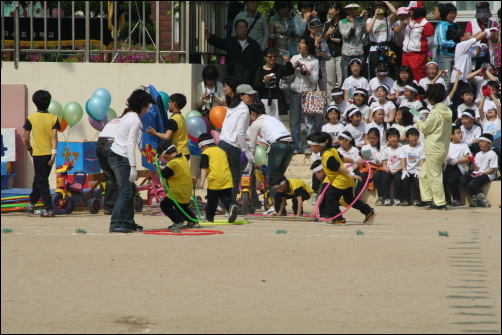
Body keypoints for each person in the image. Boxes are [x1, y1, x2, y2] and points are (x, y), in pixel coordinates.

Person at [108, 88, 156, 233]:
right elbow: (130, 143)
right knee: (125, 192)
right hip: (121, 158)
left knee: (130, 190)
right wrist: (133, 167)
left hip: (115, 155)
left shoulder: (129, 115)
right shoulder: (135, 119)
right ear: (141, 105)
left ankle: (128, 222)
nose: (148, 108)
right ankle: (115, 223)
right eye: (147, 105)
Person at [307, 132, 377, 225]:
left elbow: (339, 167)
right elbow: (343, 159)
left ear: (318, 145)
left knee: (330, 199)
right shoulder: (332, 150)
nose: (310, 148)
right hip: (346, 179)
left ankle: (338, 219)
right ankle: (368, 211)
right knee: (349, 199)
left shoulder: (327, 155)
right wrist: (355, 160)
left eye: (311, 146)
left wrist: (353, 174)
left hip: (341, 180)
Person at [248, 101, 294, 213]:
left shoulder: (256, 122)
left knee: (272, 178)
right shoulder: (271, 118)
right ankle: (281, 208)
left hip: (278, 145)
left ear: (253, 113)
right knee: (280, 178)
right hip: (291, 145)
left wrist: (249, 164)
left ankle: (274, 207)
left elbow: (252, 146)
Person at [23, 89, 61, 218]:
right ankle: (32, 203)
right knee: (39, 179)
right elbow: (54, 137)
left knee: (42, 181)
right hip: (49, 154)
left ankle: (49, 208)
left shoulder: (31, 118)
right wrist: (54, 154)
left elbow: (26, 138)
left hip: (38, 154)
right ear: (49, 103)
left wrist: (29, 149)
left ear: (35, 103)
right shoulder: (53, 118)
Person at [415, 83, 452, 210]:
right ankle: (427, 198)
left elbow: (425, 128)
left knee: (434, 175)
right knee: (424, 174)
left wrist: (419, 122)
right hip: (442, 147)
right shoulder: (447, 110)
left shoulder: (435, 112)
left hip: (433, 148)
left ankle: (440, 202)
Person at [219, 84, 256, 202]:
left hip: (222, 143)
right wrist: (247, 151)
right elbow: (240, 133)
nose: (251, 97)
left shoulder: (232, 107)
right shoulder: (244, 110)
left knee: (223, 176)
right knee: (234, 178)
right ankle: (229, 205)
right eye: (248, 95)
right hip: (232, 146)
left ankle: (221, 203)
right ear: (241, 96)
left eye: (252, 95)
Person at [205, 20, 263, 86]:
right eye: (240, 27)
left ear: (247, 29)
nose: (242, 30)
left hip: (249, 81)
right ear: (235, 30)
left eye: (244, 27)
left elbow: (259, 61)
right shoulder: (231, 42)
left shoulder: (253, 44)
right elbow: (218, 42)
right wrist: (208, 34)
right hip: (233, 80)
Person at [197, 133, 239, 224]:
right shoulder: (222, 151)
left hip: (215, 178)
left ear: (204, 145)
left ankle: (209, 217)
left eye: (201, 148)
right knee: (225, 197)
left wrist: (202, 180)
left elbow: (204, 167)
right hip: (227, 177)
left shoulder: (205, 153)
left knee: (212, 199)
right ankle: (231, 206)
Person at [157, 141, 199, 230]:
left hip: (177, 189)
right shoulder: (183, 157)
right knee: (181, 207)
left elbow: (164, 175)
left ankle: (178, 221)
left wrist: (157, 167)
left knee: (164, 205)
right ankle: (193, 221)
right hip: (186, 188)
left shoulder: (173, 163)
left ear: (166, 156)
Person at [288, 36, 319, 154]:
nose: (300, 45)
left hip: (309, 93)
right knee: (294, 120)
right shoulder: (295, 58)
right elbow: (289, 78)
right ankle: (297, 146)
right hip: (295, 91)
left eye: (303, 43)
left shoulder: (314, 61)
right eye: (300, 43)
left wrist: (308, 72)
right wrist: (293, 68)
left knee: (309, 122)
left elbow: (314, 81)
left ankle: (309, 147)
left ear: (308, 46)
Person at [146, 93, 190, 161]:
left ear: (174, 104)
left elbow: (167, 136)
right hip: (185, 152)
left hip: (178, 153)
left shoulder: (173, 120)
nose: (168, 104)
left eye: (169, 102)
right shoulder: (181, 117)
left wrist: (155, 133)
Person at [254, 47, 294, 120]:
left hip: (277, 98)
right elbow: (256, 86)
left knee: (277, 122)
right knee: (265, 121)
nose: (272, 58)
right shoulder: (260, 70)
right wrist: (264, 81)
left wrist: (288, 62)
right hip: (264, 98)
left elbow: (290, 71)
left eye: (274, 56)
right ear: (265, 58)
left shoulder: (279, 68)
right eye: (270, 56)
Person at [460, 133, 498, 208]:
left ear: (489, 144)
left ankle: (483, 199)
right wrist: (472, 161)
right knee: (463, 178)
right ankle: (474, 197)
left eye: (483, 142)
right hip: (478, 173)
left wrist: (481, 173)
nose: (480, 144)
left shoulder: (492, 154)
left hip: (488, 174)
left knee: (472, 183)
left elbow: (492, 170)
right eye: (479, 142)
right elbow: (476, 169)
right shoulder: (478, 154)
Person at [401, 1, 434, 82]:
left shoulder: (426, 24)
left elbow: (430, 42)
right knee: (405, 77)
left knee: (418, 77)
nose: (409, 12)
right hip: (406, 54)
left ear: (416, 11)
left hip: (418, 55)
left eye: (411, 10)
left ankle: (420, 94)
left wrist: (423, 50)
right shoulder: (409, 21)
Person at [96, 116, 122, 215]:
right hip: (111, 145)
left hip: (99, 145)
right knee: (119, 176)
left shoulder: (114, 120)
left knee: (110, 177)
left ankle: (109, 207)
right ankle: (117, 205)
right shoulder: (131, 121)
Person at [365, 1, 397, 80]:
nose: (380, 9)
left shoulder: (387, 19)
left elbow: (395, 12)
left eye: (382, 7)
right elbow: (368, 29)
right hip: (374, 49)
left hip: (386, 48)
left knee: (388, 70)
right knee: (374, 70)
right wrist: (375, 15)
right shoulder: (370, 20)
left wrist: (386, 2)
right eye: (378, 7)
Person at [464, 1, 500, 70]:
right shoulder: (471, 23)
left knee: (489, 70)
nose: (483, 18)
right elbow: (467, 38)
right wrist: (478, 35)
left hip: (488, 52)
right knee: (475, 71)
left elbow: (496, 40)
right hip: (476, 52)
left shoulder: (493, 23)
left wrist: (489, 34)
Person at [443, 126, 471, 207]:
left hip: (458, 167)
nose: (460, 134)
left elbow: (468, 158)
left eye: (461, 132)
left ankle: (456, 199)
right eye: (458, 133)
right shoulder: (447, 145)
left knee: (452, 180)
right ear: (451, 136)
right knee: (441, 179)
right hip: (448, 166)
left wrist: (457, 160)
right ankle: (446, 199)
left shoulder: (464, 145)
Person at [339, 1, 367, 82]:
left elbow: (367, 34)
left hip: (359, 52)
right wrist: (352, 24)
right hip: (347, 53)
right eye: (350, 9)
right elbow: (346, 35)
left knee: (361, 76)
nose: (352, 11)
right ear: (346, 10)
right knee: (346, 77)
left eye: (355, 9)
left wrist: (362, 42)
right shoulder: (342, 22)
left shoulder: (361, 22)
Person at [357, 127, 384, 205]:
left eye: (374, 138)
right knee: (362, 177)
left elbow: (381, 162)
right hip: (366, 167)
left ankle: (381, 197)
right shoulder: (365, 147)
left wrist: (375, 159)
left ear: (378, 138)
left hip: (377, 167)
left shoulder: (382, 148)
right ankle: (357, 197)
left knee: (377, 177)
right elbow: (361, 159)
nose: (372, 140)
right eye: (370, 138)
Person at [435, 3, 458, 89]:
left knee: (456, 79)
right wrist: (456, 43)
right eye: (451, 13)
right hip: (446, 56)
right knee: (446, 81)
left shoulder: (455, 25)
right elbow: (442, 42)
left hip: (456, 56)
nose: (453, 15)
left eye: (454, 13)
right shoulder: (441, 26)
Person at [399, 127, 425, 206]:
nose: (414, 137)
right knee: (405, 180)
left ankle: (416, 199)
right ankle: (406, 200)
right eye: (412, 135)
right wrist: (404, 170)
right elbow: (403, 159)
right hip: (407, 170)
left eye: (416, 135)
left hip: (417, 170)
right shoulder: (404, 148)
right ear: (407, 138)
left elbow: (422, 160)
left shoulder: (421, 148)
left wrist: (419, 170)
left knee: (417, 180)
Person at [305, 17, 331, 93]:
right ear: (309, 28)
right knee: (312, 91)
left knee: (323, 92)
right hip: (310, 68)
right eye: (315, 27)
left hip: (321, 68)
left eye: (319, 27)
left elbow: (329, 56)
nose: (317, 29)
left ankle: (324, 105)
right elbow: (307, 54)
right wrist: (316, 43)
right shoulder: (306, 40)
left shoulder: (323, 41)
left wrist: (323, 55)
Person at [324, 2, 345, 95]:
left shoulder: (343, 22)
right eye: (329, 9)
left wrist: (332, 38)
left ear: (337, 11)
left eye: (331, 9)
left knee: (341, 79)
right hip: (329, 55)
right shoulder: (328, 24)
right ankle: (330, 102)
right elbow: (324, 39)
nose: (329, 11)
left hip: (340, 54)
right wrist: (328, 34)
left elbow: (344, 40)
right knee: (330, 80)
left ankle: (340, 99)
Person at [380, 128, 402, 206]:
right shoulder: (386, 150)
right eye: (390, 137)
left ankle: (397, 198)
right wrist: (386, 169)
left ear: (398, 137)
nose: (393, 139)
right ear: (387, 139)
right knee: (385, 178)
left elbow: (403, 164)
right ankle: (387, 198)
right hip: (388, 170)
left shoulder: (402, 149)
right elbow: (384, 165)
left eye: (395, 136)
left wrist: (398, 169)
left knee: (398, 179)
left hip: (399, 169)